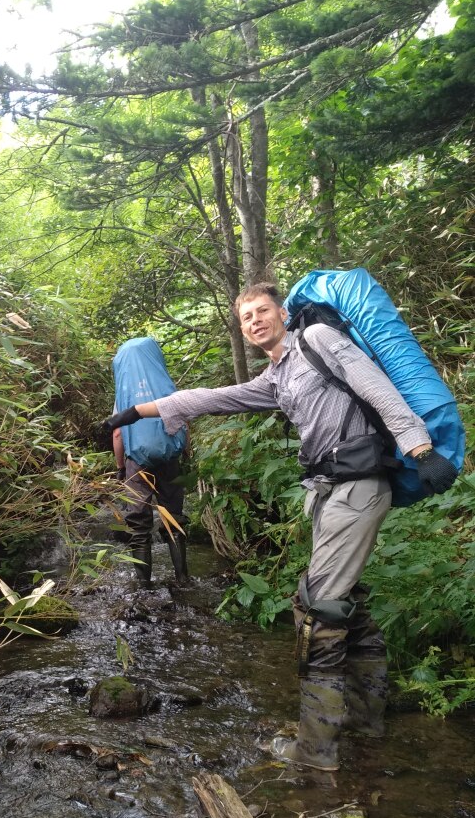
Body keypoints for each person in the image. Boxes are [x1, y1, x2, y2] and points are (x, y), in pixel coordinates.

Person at [103, 284, 458, 771]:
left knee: (319, 611)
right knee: (342, 602)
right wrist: (138, 412)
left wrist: (419, 448)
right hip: (328, 491)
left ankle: (316, 752)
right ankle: (366, 719)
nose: (254, 321)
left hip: (357, 486)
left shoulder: (317, 340)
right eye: (246, 316)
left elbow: (376, 386)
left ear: (281, 313)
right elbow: (215, 397)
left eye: (262, 311)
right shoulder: (276, 377)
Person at [110, 337, 190, 589]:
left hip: (137, 463)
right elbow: (184, 421)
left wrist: (121, 467)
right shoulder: (164, 384)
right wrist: (184, 455)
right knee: (174, 518)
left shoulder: (124, 393)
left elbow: (117, 434)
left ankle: (144, 585)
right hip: (170, 458)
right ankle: (183, 579)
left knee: (139, 523)